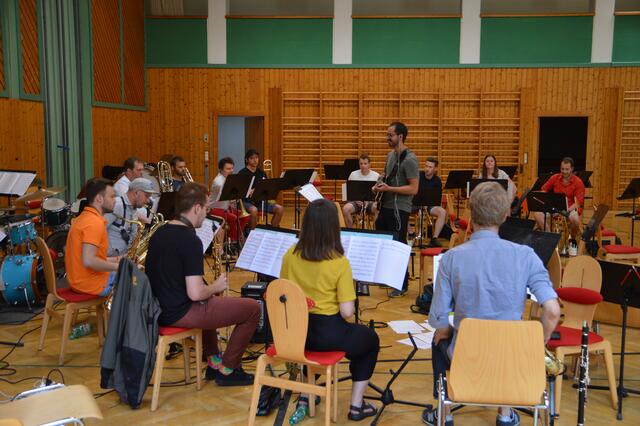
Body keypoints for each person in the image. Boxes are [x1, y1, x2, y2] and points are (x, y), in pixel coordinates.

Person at [422, 182, 561, 426]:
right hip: (512, 357)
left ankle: (445, 413)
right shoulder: (526, 255)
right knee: (506, 344)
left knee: (439, 339)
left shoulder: (452, 257)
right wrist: (537, 342)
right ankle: (504, 415)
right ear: (506, 214)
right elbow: (551, 310)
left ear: (471, 213)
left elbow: (439, 319)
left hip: (467, 356)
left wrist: (444, 330)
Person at [146, 182, 260, 386]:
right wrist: (216, 287)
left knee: (210, 297)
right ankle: (228, 370)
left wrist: (209, 291)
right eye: (206, 209)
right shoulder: (190, 240)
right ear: (196, 208)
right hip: (180, 312)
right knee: (252, 309)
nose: (206, 214)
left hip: (158, 309)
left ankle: (214, 360)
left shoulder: (159, 233)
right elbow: (196, 294)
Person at [280, 199, 380, 423]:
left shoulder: (290, 254)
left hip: (296, 334)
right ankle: (356, 406)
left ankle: (307, 393)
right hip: (327, 335)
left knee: (311, 345)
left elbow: (284, 292)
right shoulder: (339, 262)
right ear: (333, 227)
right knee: (370, 341)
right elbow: (346, 312)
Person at [372, 122, 419, 297]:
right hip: (386, 205)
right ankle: (389, 278)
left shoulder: (410, 160)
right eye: (387, 134)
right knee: (385, 243)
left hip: (400, 208)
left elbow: (414, 189)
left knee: (399, 246)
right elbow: (385, 176)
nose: (387, 138)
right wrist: (378, 185)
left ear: (400, 136)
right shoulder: (390, 155)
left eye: (390, 135)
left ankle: (402, 283)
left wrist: (389, 189)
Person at [65, 178, 121, 296]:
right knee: (140, 280)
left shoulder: (85, 217)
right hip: (91, 284)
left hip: (79, 280)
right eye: (112, 197)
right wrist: (120, 267)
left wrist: (117, 259)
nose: (115, 201)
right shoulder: (93, 223)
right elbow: (89, 261)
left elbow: (87, 258)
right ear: (99, 199)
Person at [533, 157, 585, 240]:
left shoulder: (578, 182)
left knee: (575, 218)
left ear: (572, 169)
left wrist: (563, 211)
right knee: (537, 213)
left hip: (570, 209)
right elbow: (544, 190)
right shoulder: (555, 177)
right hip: (555, 208)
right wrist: (538, 197)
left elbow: (578, 203)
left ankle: (572, 238)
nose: (564, 171)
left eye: (567, 169)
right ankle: (549, 237)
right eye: (562, 169)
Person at [105, 178, 159, 257]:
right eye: (146, 196)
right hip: (111, 260)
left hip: (122, 258)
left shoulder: (133, 210)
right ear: (136, 192)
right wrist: (112, 253)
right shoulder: (117, 204)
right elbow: (99, 230)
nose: (148, 201)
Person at [238, 149, 284, 228]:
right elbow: (239, 191)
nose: (255, 160)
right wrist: (249, 191)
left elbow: (266, 187)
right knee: (254, 210)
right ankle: (252, 233)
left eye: (256, 158)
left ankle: (272, 231)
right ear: (247, 160)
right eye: (252, 158)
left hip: (259, 202)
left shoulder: (261, 173)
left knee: (280, 209)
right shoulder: (242, 173)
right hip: (246, 202)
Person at [209, 157, 251, 242]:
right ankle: (231, 241)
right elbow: (225, 197)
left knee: (245, 217)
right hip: (214, 209)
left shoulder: (228, 179)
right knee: (234, 218)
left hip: (224, 208)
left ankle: (234, 239)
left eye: (232, 168)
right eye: (228, 169)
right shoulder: (218, 182)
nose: (231, 171)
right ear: (221, 170)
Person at [413, 157, 446, 247]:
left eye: (430, 167)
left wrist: (428, 205)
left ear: (435, 169)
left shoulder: (437, 181)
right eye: (426, 166)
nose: (427, 169)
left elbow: (436, 199)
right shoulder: (418, 176)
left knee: (442, 212)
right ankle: (410, 233)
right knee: (401, 208)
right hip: (415, 204)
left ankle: (434, 238)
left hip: (430, 206)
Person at [342, 153, 380, 228]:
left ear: (369, 164)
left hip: (370, 203)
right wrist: (356, 200)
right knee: (345, 209)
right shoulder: (353, 174)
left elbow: (379, 194)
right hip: (356, 202)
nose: (363, 166)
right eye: (361, 164)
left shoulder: (376, 175)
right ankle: (351, 231)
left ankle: (376, 232)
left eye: (365, 163)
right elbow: (348, 191)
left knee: (378, 209)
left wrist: (369, 202)